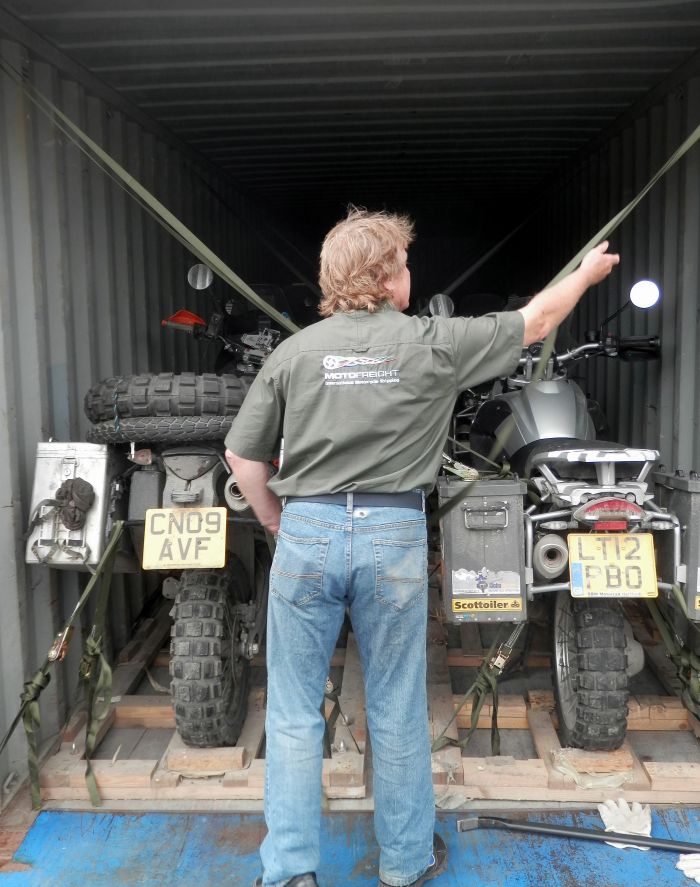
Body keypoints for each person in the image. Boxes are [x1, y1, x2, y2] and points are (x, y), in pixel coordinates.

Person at [225, 207, 619, 887]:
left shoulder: (296, 352)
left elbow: (241, 453)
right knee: (397, 703)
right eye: (405, 264)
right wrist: (584, 275)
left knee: (290, 710)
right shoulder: (434, 343)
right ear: (386, 277)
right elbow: (538, 321)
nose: (411, 273)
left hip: (310, 531)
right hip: (392, 532)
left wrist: (274, 520)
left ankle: (289, 870)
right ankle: (405, 861)